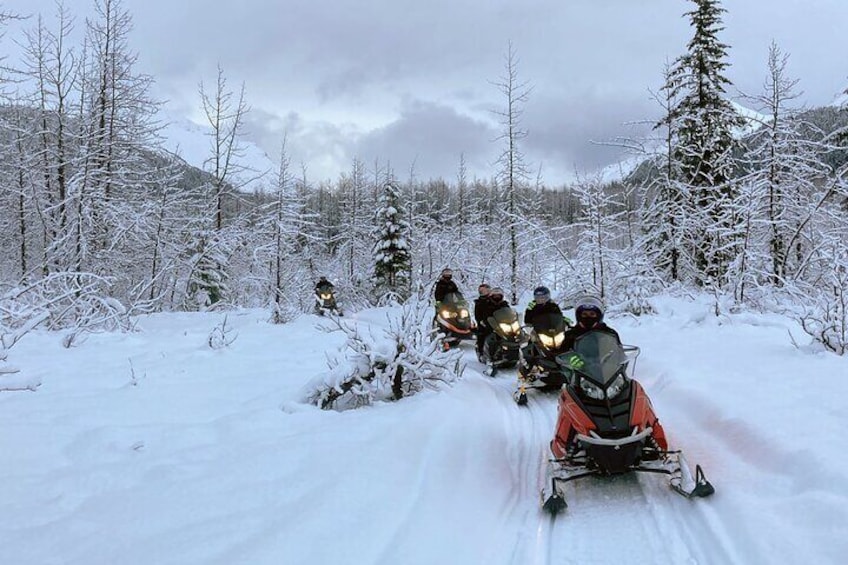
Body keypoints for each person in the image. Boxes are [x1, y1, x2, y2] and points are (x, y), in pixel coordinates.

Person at [475, 286, 509, 362]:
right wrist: (484, 321)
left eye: (498, 296)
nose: (497, 297)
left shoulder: (504, 304)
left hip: (502, 324)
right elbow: (485, 315)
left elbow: (509, 312)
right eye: (495, 296)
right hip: (491, 325)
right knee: (483, 333)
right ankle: (482, 352)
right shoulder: (487, 304)